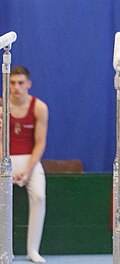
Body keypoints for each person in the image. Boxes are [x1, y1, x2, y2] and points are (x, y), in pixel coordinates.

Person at [0, 66, 48, 263]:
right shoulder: (2, 107)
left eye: (20, 83)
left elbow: (40, 143)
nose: (16, 87)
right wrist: (5, 168)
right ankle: (4, 250)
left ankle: (32, 250)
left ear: (29, 84)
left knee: (39, 196)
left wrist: (27, 170)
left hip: (30, 160)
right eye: (12, 83)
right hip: (5, 159)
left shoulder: (39, 107)